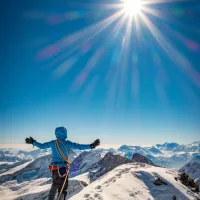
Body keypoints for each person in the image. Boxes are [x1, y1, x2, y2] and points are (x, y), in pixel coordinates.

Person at [25, 127, 100, 200]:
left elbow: (41, 146)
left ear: (56, 134)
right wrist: (91, 145)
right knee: (62, 189)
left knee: (54, 185)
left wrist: (33, 142)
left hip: (53, 168)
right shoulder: (67, 143)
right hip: (63, 168)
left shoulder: (52, 143)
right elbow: (79, 146)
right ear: (65, 133)